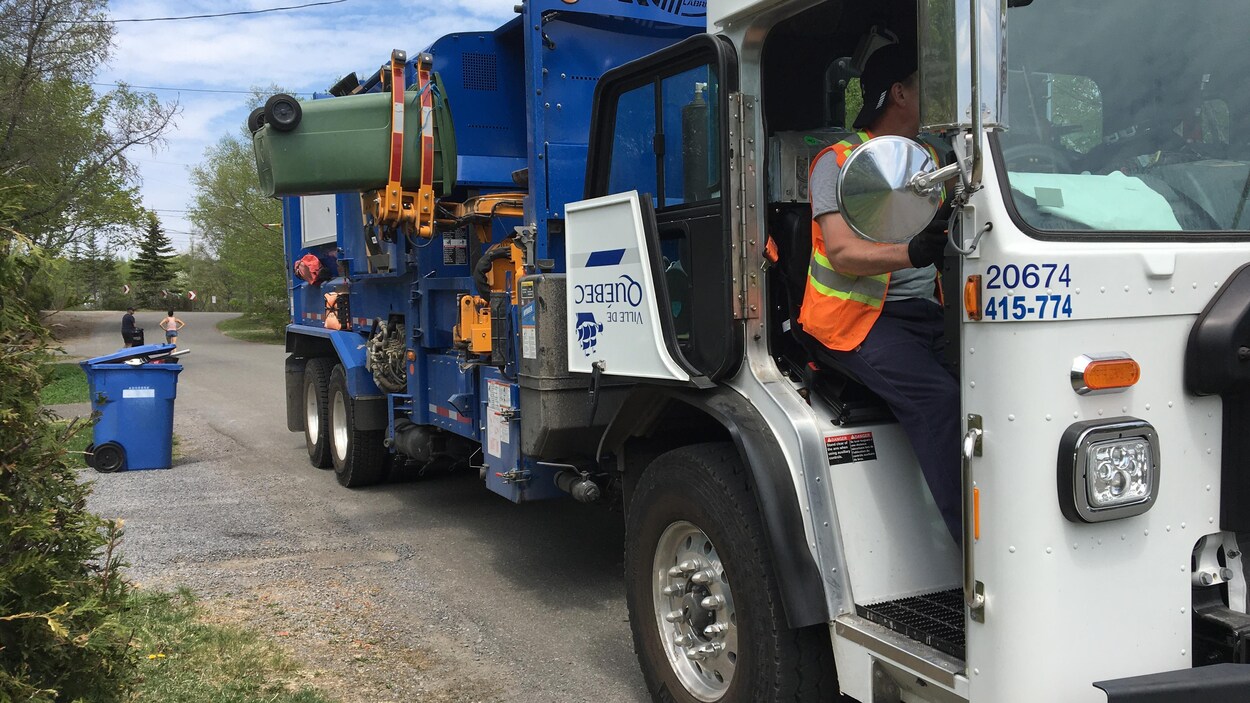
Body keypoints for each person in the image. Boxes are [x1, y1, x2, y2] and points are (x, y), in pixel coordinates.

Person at [798, 43, 962, 542]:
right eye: (924, 84)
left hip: (928, 313)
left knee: (997, 390)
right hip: (856, 321)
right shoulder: (837, 162)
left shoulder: (935, 158)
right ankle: (979, 553)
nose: (935, 96)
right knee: (941, 403)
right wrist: (910, 253)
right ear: (899, 93)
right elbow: (842, 253)